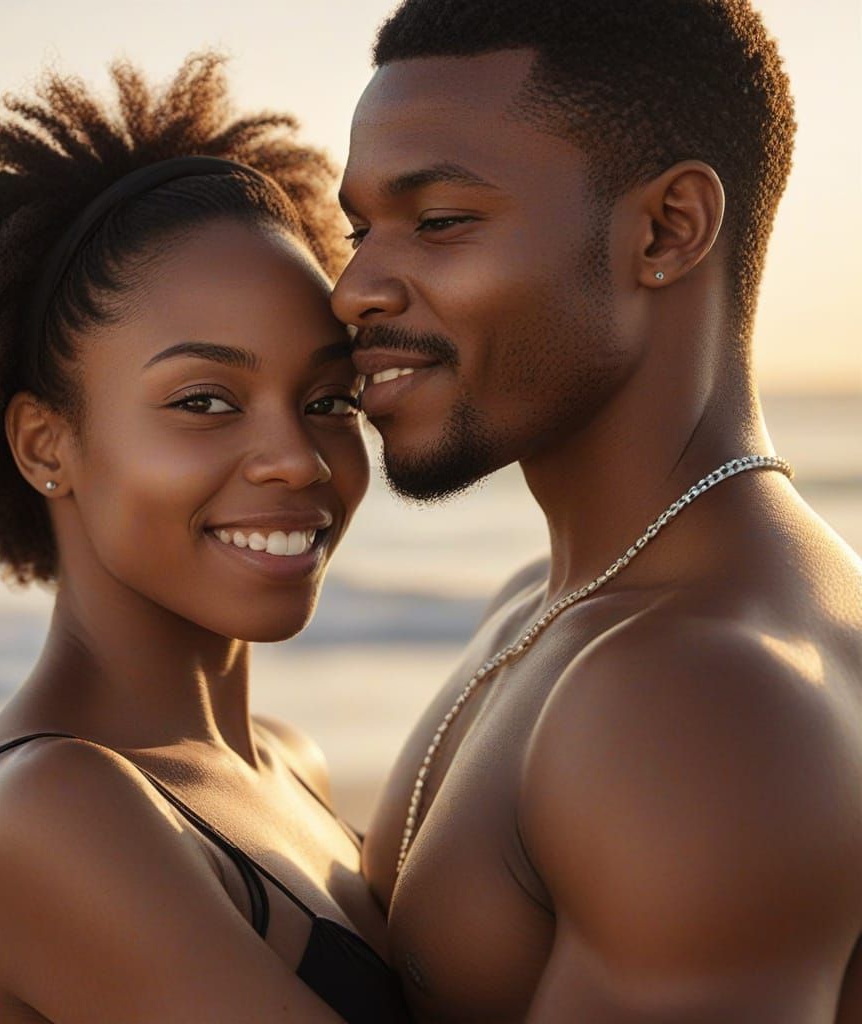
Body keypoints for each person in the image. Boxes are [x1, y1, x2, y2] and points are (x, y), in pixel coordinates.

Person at [0, 54, 409, 1023]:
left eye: (328, 399)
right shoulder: (49, 811)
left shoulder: (287, 765)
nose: (297, 459)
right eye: (204, 400)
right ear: (46, 443)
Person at [332, 1, 862, 1021]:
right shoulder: (553, 601)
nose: (353, 287)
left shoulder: (696, 697)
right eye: (360, 229)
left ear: (665, 230)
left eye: (437, 221)